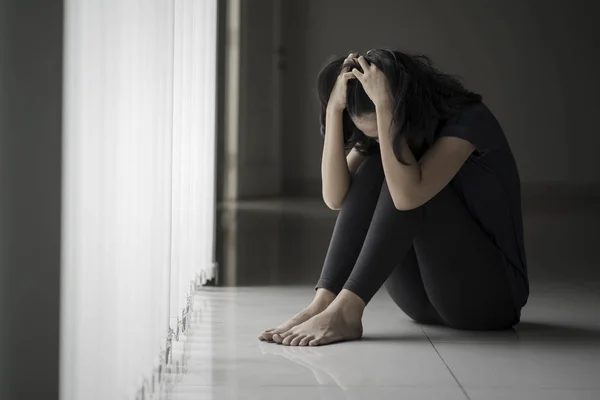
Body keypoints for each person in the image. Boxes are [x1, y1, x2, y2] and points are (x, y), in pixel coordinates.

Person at [258, 49, 529, 347]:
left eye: (381, 127)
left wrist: (386, 105)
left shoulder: (469, 120)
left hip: (486, 303)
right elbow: (336, 198)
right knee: (376, 165)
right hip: (420, 300)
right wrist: (334, 110)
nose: (376, 139)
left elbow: (407, 197)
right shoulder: (377, 132)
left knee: (408, 184)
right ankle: (325, 301)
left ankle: (348, 310)